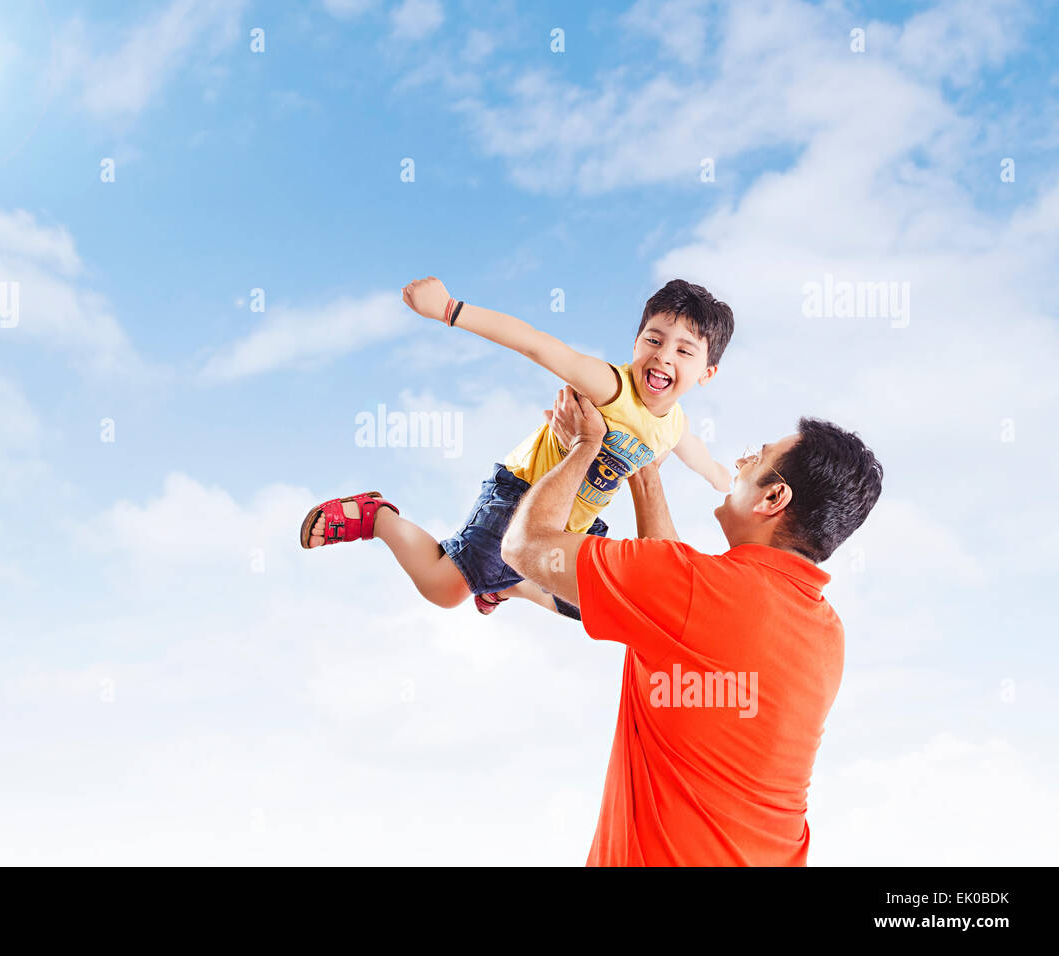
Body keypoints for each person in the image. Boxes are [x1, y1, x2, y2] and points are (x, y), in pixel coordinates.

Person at [502, 386, 883, 866]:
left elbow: (525, 545)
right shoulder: (826, 630)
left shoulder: (696, 589)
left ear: (774, 496)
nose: (741, 462)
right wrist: (643, 474)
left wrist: (585, 447)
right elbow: (681, 617)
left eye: (756, 457)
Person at [299, 276, 735, 620]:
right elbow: (536, 343)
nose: (663, 358)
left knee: (601, 605)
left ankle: (506, 584)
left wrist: (726, 481)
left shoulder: (675, 424)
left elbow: (698, 457)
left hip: (570, 521)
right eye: (654, 340)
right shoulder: (610, 386)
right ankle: (378, 518)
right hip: (521, 495)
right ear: (636, 341)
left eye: (684, 351)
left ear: (707, 373)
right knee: (444, 591)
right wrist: (450, 310)